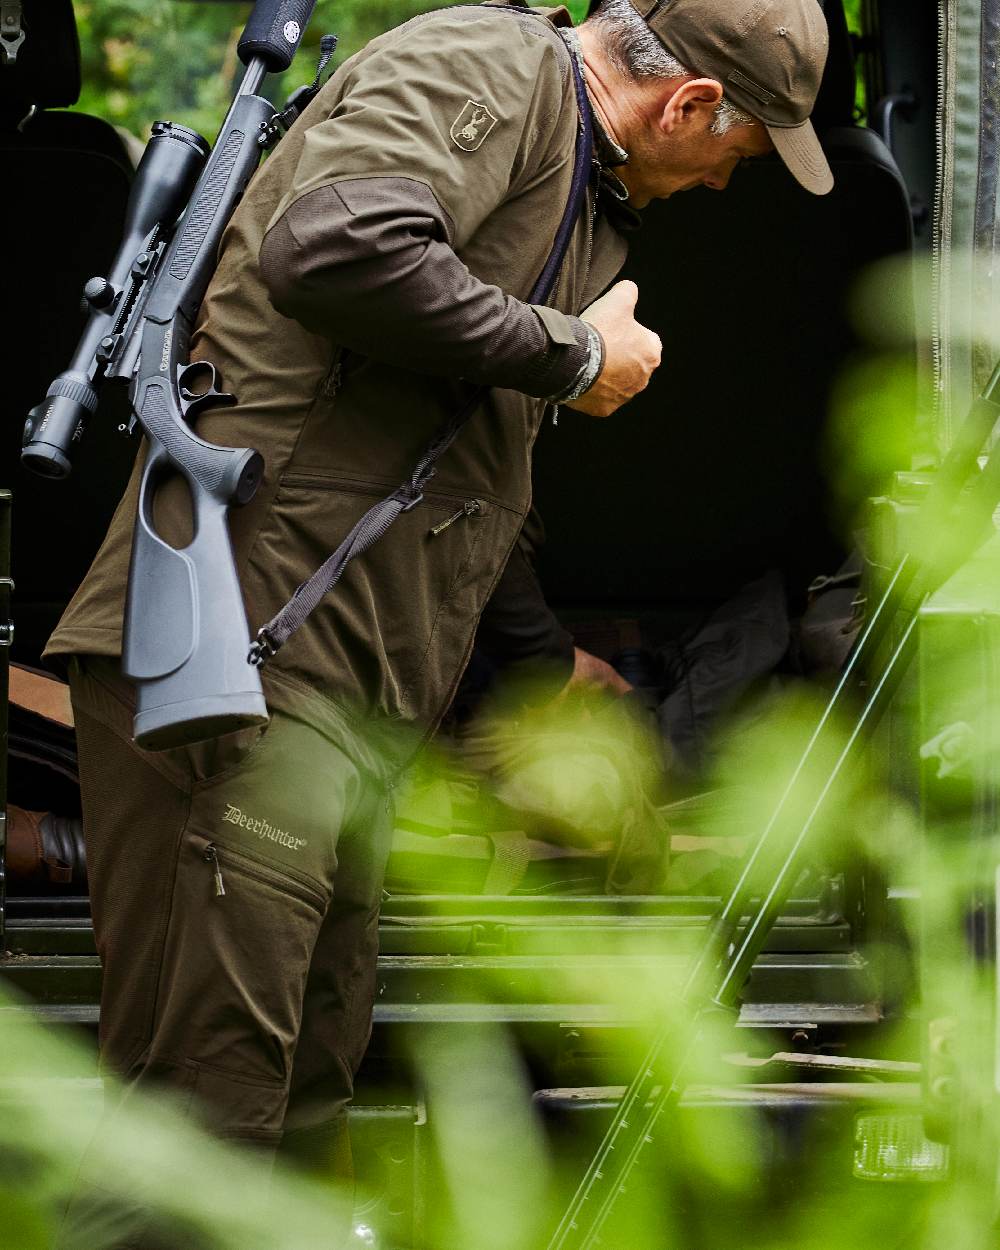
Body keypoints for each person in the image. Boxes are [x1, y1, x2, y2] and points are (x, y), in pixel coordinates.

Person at [46, 0, 832, 1243]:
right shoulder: (491, 67)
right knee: (201, 1140)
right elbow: (332, 249)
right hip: (237, 663)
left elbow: (455, 465)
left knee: (300, 1115)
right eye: (735, 152)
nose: (726, 184)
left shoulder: (579, 178)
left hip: (333, 696)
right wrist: (573, 353)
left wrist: (537, 664)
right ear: (688, 103)